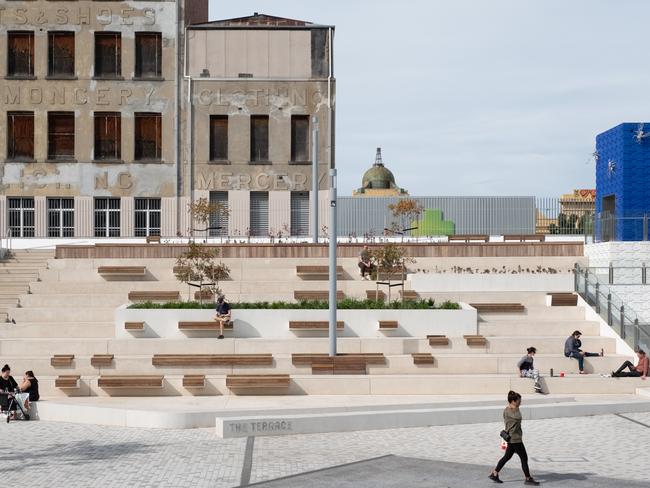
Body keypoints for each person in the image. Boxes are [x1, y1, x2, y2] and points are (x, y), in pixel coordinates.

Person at [489, 391, 540, 485]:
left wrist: (515, 407)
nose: (520, 403)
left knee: (506, 457)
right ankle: (528, 478)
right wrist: (516, 408)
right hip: (515, 439)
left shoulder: (506, 409)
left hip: (511, 438)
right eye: (518, 401)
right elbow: (518, 417)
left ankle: (494, 473)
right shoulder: (514, 411)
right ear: (513, 401)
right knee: (524, 458)